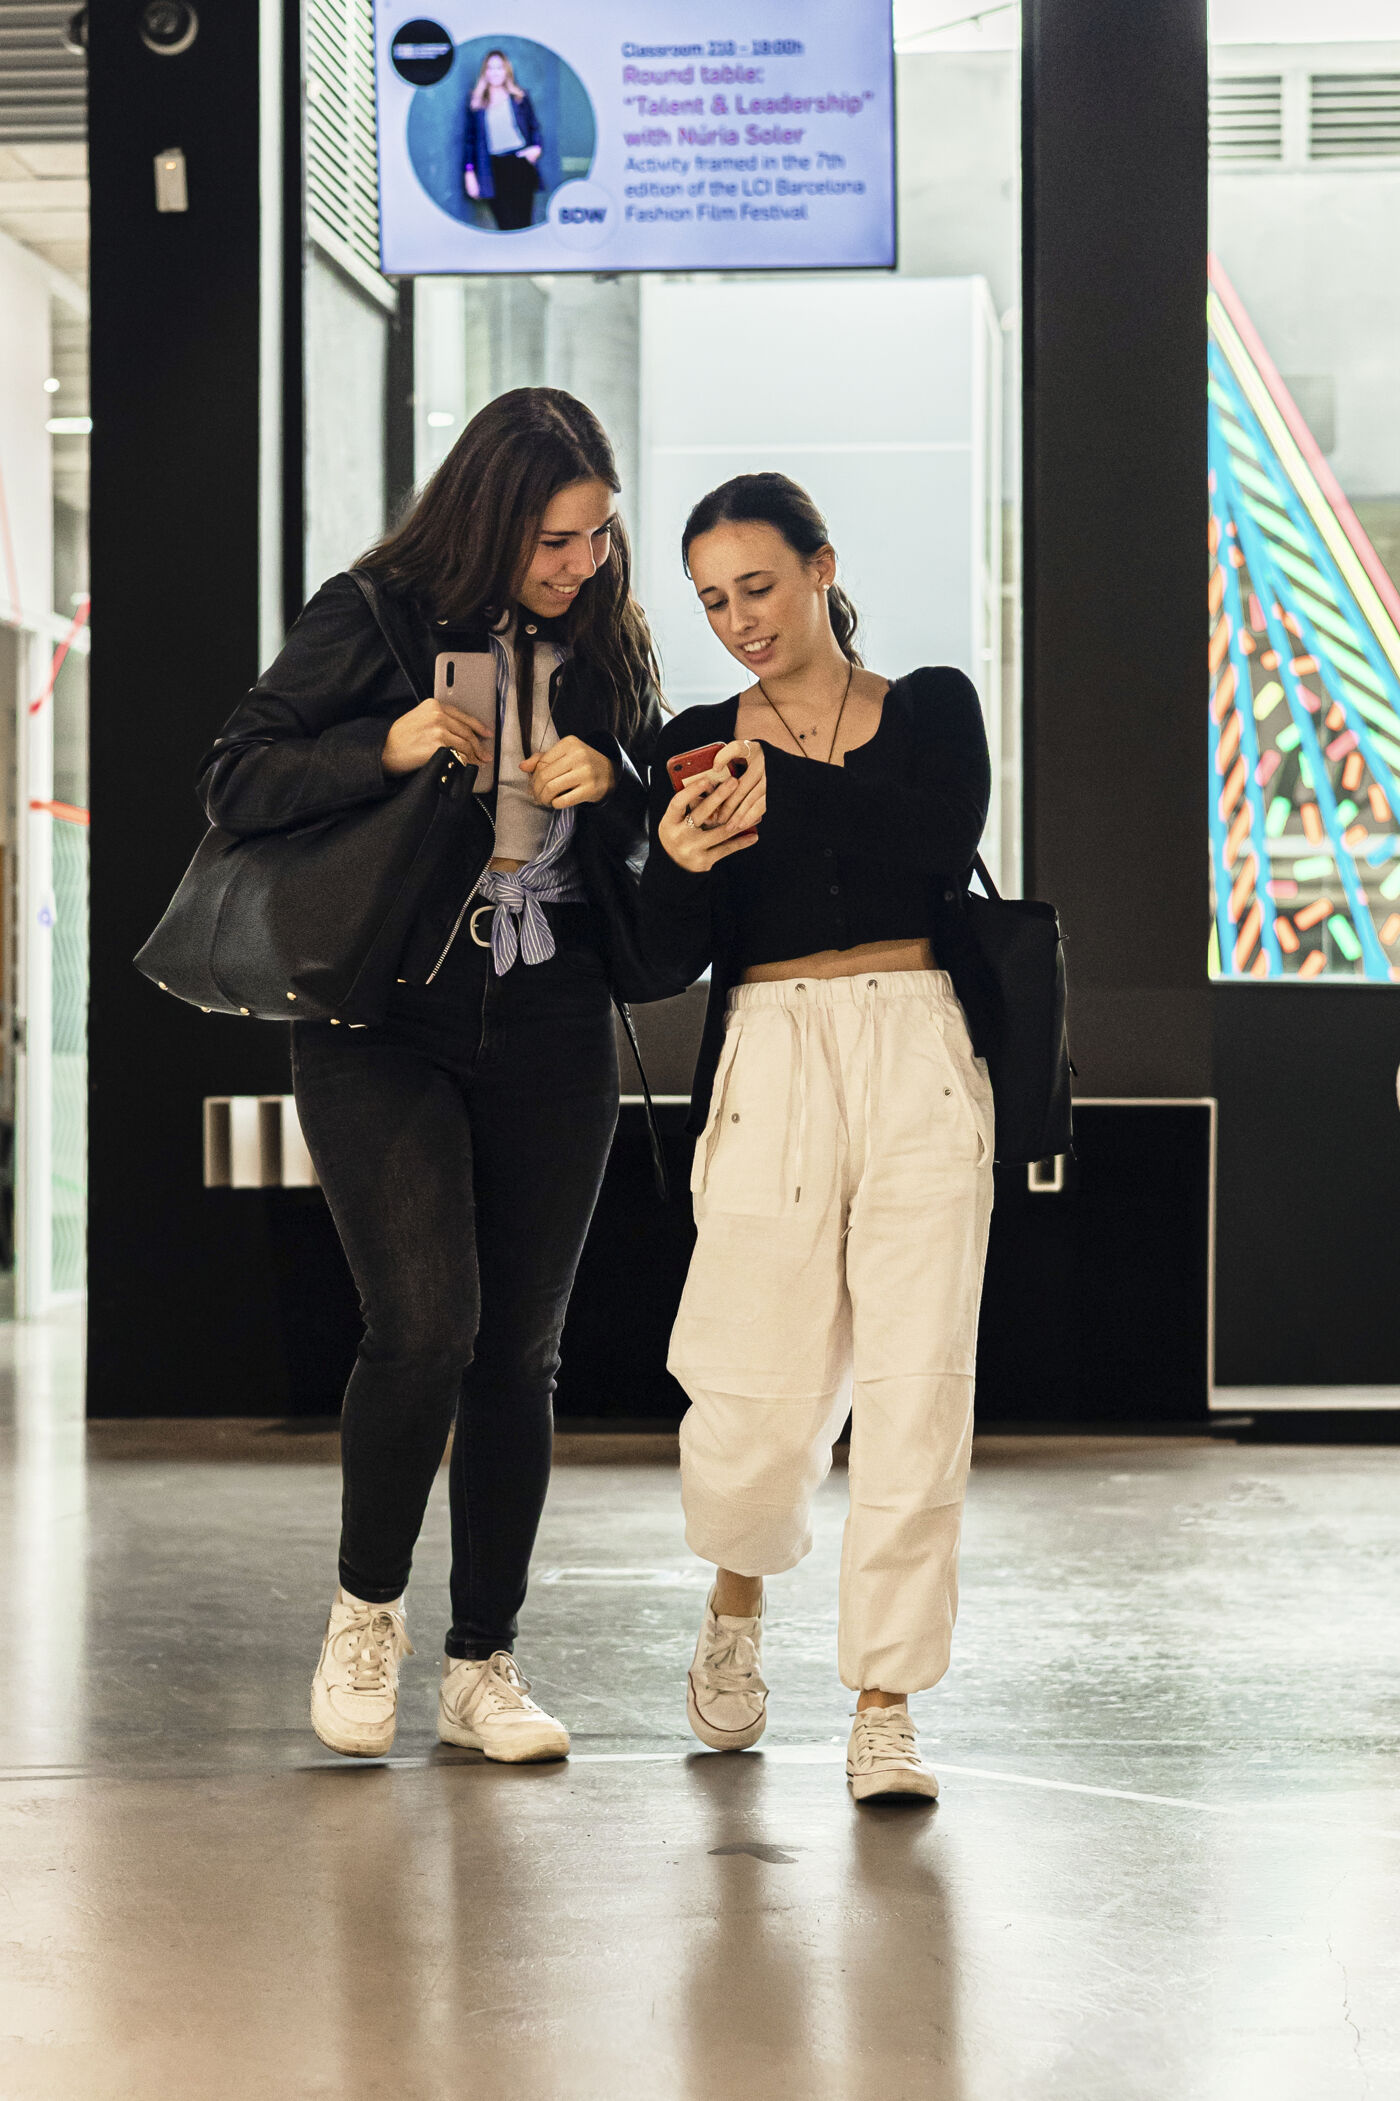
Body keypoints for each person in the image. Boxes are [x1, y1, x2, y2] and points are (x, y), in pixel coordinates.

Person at [199, 390, 668, 1763]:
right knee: (425, 1325)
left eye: (597, 534)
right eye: (557, 538)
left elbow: (641, 819)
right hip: (383, 1022)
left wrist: (616, 779)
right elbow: (238, 773)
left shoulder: (608, 636)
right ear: (492, 516)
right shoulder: (378, 611)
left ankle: (485, 1665)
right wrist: (385, 743)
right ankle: (366, 1615)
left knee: (521, 1349)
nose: (582, 562)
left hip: (552, 1016)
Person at [640, 472, 996, 1803]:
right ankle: (736, 1598)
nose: (740, 620)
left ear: (822, 568)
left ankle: (885, 1699)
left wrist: (768, 796)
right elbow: (658, 959)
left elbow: (925, 842)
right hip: (772, 1059)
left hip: (918, 1046)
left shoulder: (935, 710)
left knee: (917, 1391)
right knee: (752, 1393)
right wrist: (675, 855)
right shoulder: (687, 743)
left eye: (761, 586)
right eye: (714, 600)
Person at [463, 49, 543, 232]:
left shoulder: (519, 97)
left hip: (519, 164)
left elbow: (534, 127)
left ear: (506, 70)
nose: (495, 72)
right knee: (505, 224)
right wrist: (469, 173)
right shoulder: (477, 102)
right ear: (485, 72)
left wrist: (536, 148)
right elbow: (470, 141)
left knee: (522, 223)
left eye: (499, 67)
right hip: (492, 168)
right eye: (490, 68)